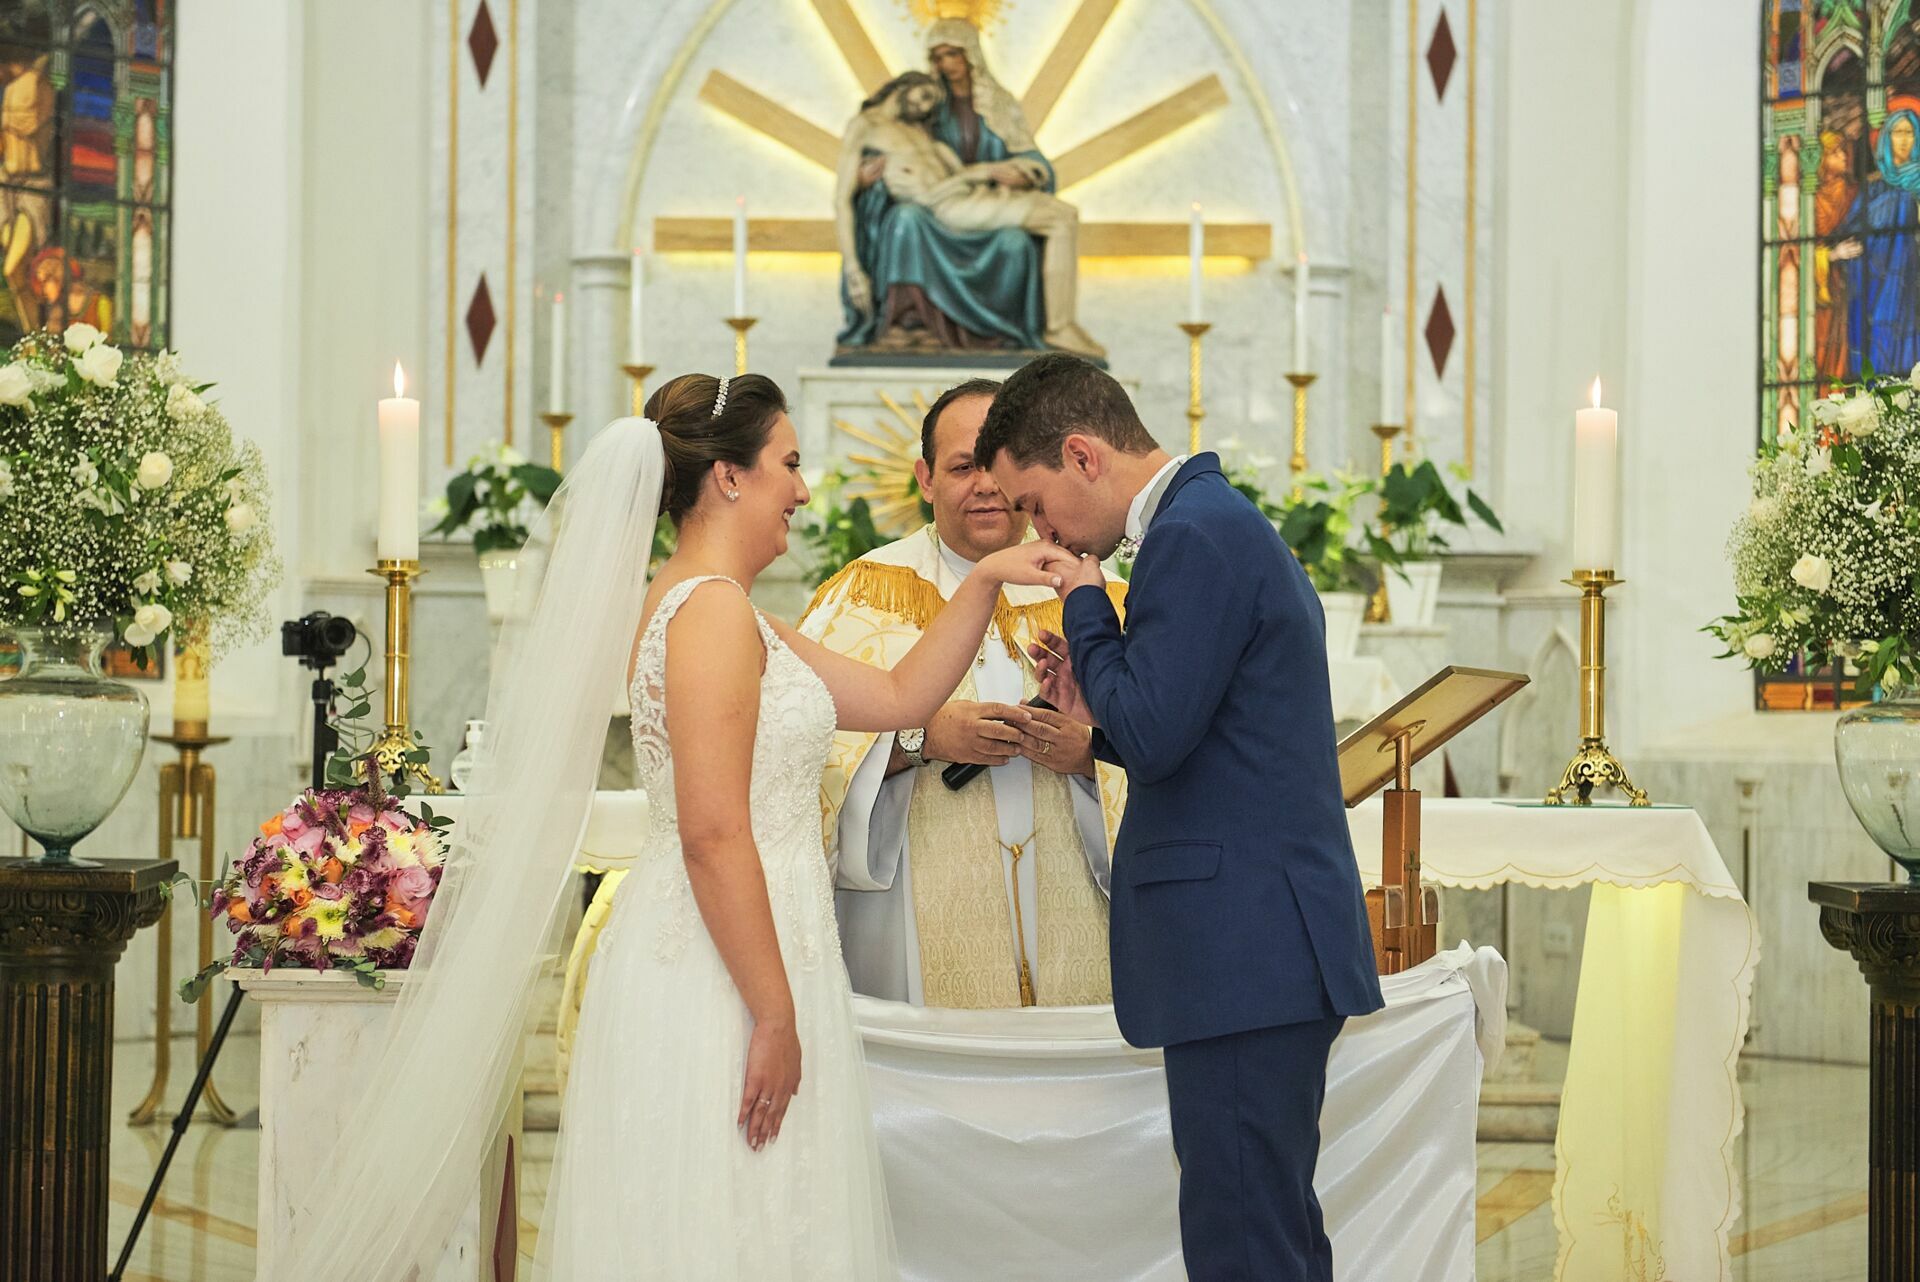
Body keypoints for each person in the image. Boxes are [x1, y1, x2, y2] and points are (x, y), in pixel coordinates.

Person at [277, 373, 1075, 1280]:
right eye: (790, 463)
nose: (805, 490)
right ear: (730, 478)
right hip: (721, 969)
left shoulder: (734, 614)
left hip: (763, 947)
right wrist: (773, 1012)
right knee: (725, 1220)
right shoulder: (709, 617)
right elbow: (712, 833)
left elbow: (898, 697)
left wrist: (987, 582)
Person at [976, 353, 1384, 1282]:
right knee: (1265, 1228)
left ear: (1082, 455)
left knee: (1244, 1239)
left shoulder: (1193, 536)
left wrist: (1085, 607)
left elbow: (1158, 732)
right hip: (1255, 946)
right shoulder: (1210, 524)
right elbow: (1202, 727)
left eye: (1036, 504)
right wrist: (1097, 713)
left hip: (1242, 947)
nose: (1043, 530)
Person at [800, 378, 1126, 1008]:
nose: (984, 486)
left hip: (1083, 908)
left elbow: (1171, 747)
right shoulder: (862, 596)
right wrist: (919, 738)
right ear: (925, 478)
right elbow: (797, 756)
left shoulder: (1095, 595)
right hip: (911, 921)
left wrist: (1089, 753)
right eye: (961, 467)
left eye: (996, 467)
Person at [835, 65, 1104, 359]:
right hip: (945, 206)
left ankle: (1058, 325)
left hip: (965, 197)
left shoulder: (920, 133)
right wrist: (853, 267)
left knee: (1062, 215)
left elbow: (960, 173)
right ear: (905, 84)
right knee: (1061, 218)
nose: (924, 106)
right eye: (924, 95)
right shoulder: (864, 125)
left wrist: (1011, 172)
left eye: (931, 103)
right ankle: (1059, 327)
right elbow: (843, 199)